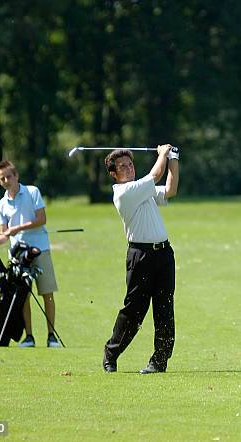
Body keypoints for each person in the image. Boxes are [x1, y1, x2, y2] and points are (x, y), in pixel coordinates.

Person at [102, 144, 179, 374]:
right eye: (123, 166)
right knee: (134, 309)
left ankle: (159, 361)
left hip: (164, 254)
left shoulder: (142, 189)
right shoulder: (124, 193)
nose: (129, 168)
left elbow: (170, 190)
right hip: (141, 256)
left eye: (130, 164)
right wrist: (163, 154)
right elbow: (156, 174)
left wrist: (174, 158)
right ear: (114, 174)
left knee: (164, 308)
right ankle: (111, 353)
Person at [0, 160, 61, 348]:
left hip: (40, 249)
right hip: (17, 255)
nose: (6, 180)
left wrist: (17, 228)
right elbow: (4, 234)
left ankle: (51, 337)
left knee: (47, 293)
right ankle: (29, 337)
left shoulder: (32, 192)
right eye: (2, 178)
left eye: (9, 176)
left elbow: (41, 219)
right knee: (23, 297)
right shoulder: (1, 205)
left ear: (16, 176)